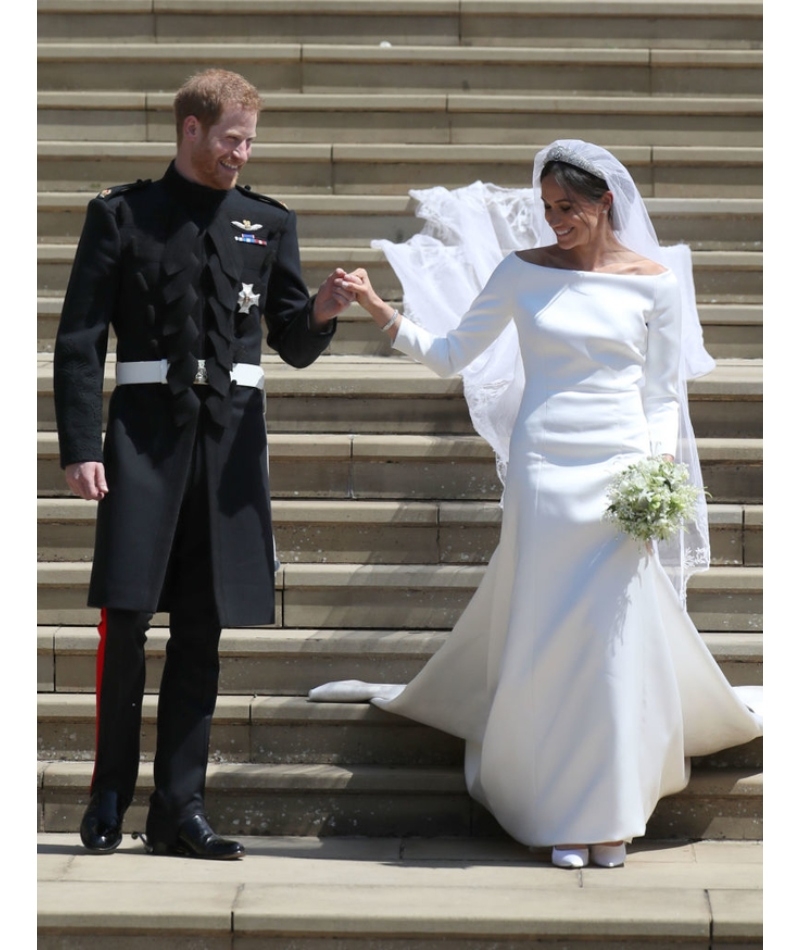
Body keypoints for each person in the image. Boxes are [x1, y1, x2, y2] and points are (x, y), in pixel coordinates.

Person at [309, 140, 763, 869]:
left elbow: (659, 395)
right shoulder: (520, 273)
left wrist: (657, 484)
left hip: (622, 474)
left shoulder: (656, 284)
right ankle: (554, 807)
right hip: (545, 468)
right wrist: (377, 308)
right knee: (550, 637)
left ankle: (610, 810)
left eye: (570, 208)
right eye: (548, 208)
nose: (556, 221)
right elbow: (455, 353)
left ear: (605, 202)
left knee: (610, 646)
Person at [54, 68, 354, 860]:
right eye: (230, 139)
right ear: (190, 130)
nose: (241, 154)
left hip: (227, 450)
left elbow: (290, 340)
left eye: (250, 141)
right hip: (142, 444)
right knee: (125, 622)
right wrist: (82, 447)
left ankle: (179, 808)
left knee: (202, 629)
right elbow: (81, 342)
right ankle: (109, 795)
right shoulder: (122, 216)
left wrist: (321, 310)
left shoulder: (265, 223)